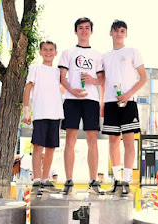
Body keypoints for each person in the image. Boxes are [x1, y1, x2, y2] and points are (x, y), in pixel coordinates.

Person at [58, 17, 104, 195]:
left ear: (91, 31)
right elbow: (62, 77)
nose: (84, 30)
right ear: (75, 31)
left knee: (92, 140)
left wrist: (93, 80)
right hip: (72, 99)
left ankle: (93, 181)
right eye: (80, 28)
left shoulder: (98, 55)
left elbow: (101, 79)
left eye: (87, 28)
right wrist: (72, 90)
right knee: (70, 140)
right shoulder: (68, 52)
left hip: (91, 100)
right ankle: (69, 181)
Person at [100, 20, 147, 196]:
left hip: (129, 102)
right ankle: (118, 180)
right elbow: (103, 81)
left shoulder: (133, 52)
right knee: (113, 142)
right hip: (111, 103)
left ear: (126, 34)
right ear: (110, 33)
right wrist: (102, 103)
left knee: (128, 141)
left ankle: (127, 181)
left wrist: (128, 95)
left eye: (122, 31)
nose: (119, 33)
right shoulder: (104, 56)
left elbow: (143, 78)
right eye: (116, 30)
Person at [22, 41, 64, 194]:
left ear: (55, 52)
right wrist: (26, 110)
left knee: (51, 148)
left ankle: (46, 180)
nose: (48, 52)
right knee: (38, 146)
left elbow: (63, 88)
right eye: (45, 50)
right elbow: (27, 89)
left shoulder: (58, 72)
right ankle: (37, 180)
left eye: (51, 50)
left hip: (56, 114)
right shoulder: (35, 69)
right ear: (40, 52)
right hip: (40, 113)